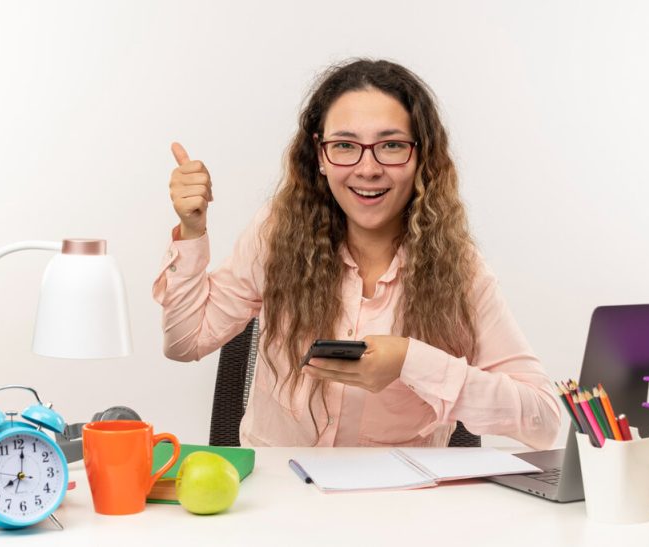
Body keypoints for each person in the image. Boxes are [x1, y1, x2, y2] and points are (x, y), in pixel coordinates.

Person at [153, 59, 560, 448]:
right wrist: (193, 229)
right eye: (345, 145)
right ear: (320, 156)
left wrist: (410, 360)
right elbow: (185, 342)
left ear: (421, 157)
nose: (367, 168)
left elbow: (543, 419)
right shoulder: (277, 232)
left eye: (391, 145)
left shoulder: (461, 269)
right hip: (281, 497)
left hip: (399, 503)